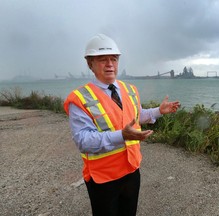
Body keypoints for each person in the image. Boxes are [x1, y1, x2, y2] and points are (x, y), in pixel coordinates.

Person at [64, 33, 180, 216]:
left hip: (132, 170)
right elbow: (83, 141)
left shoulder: (130, 90)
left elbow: (136, 116)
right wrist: (122, 136)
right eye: (102, 59)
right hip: (103, 177)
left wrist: (158, 111)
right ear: (90, 64)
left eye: (114, 59)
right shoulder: (79, 98)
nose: (110, 64)